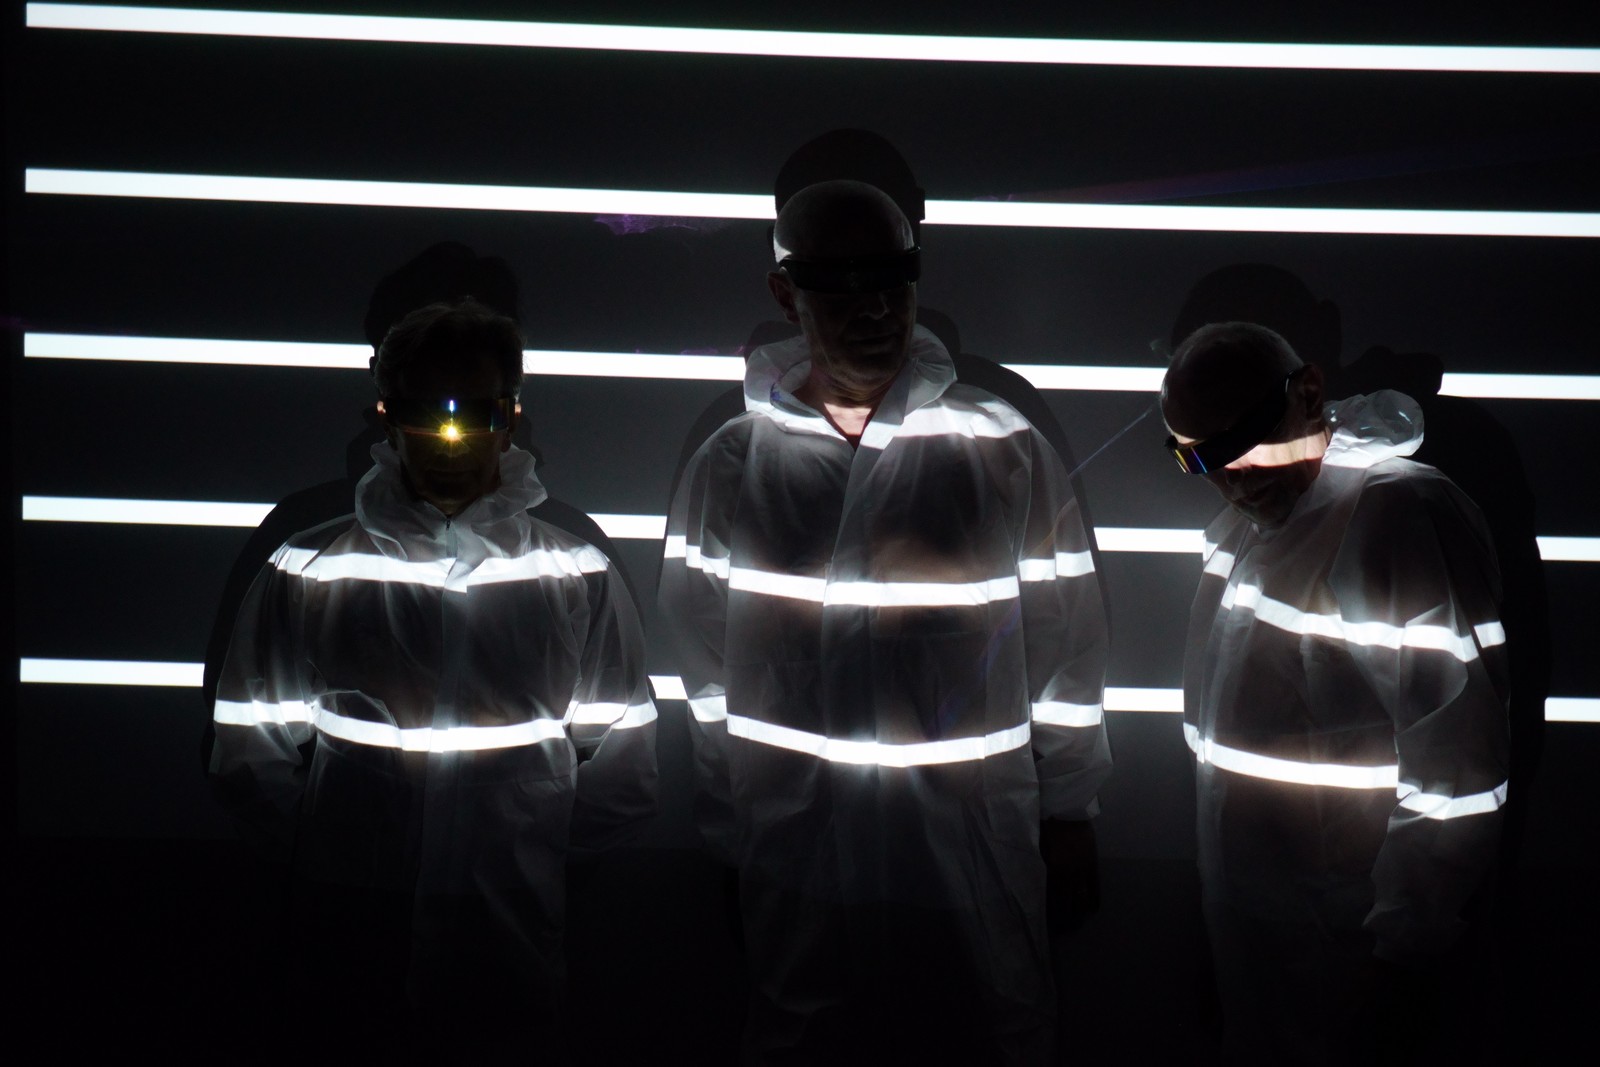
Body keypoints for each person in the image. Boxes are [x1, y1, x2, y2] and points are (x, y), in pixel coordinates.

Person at [658, 179, 1111, 1064]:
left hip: (968, 860)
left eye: (893, 274)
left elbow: (1067, 641)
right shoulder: (731, 466)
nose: (873, 305)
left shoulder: (1000, 446)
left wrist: (1069, 814)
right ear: (785, 291)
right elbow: (704, 670)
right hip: (799, 863)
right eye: (840, 280)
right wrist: (730, 837)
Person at [209, 298, 658, 1055]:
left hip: (510, 953)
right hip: (348, 957)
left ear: (510, 418)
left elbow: (623, 767)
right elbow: (249, 753)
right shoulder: (307, 566)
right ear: (387, 415)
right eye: (427, 411)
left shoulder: (577, 572)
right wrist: (337, 864)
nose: (451, 436)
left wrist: (528, 864)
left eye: (475, 411)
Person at [1160, 321, 1509, 1063]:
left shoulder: (1397, 516)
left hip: (1355, 943)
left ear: (1309, 391)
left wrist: (1401, 952)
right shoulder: (1246, 529)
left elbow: (1459, 767)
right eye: (1201, 458)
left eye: (1244, 440)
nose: (1234, 476)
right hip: (1263, 938)